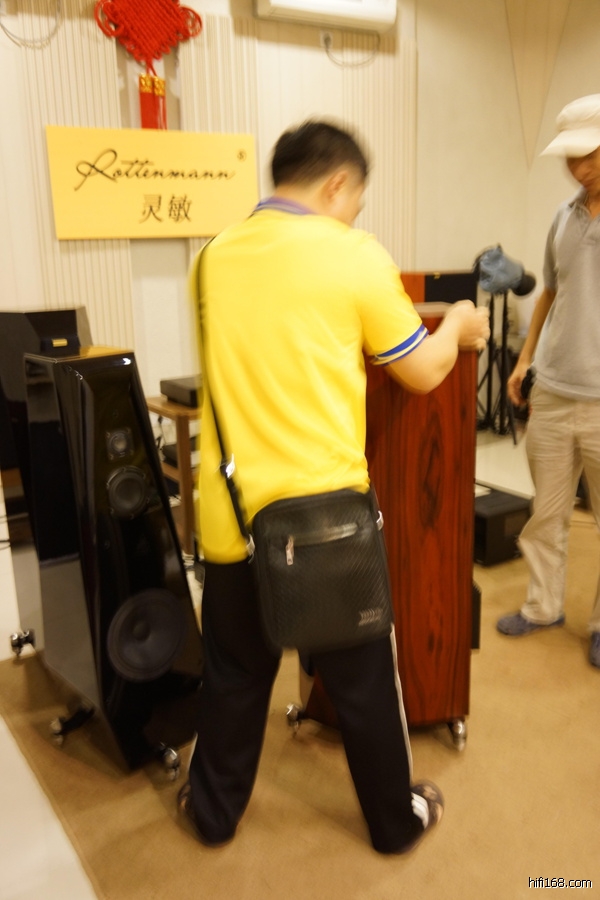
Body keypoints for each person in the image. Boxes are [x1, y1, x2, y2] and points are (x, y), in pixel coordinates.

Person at [180, 120, 490, 853]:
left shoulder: (212, 257)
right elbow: (421, 371)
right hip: (326, 527)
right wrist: (460, 325)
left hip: (230, 516)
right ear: (337, 183)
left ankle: (212, 815)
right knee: (364, 684)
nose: (354, 214)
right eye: (355, 201)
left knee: (233, 675)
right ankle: (394, 822)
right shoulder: (354, 256)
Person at [497, 94, 600, 669]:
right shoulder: (563, 216)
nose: (579, 168)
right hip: (555, 390)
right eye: (571, 158)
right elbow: (550, 293)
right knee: (547, 512)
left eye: (589, 155)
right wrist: (525, 360)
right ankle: (542, 606)